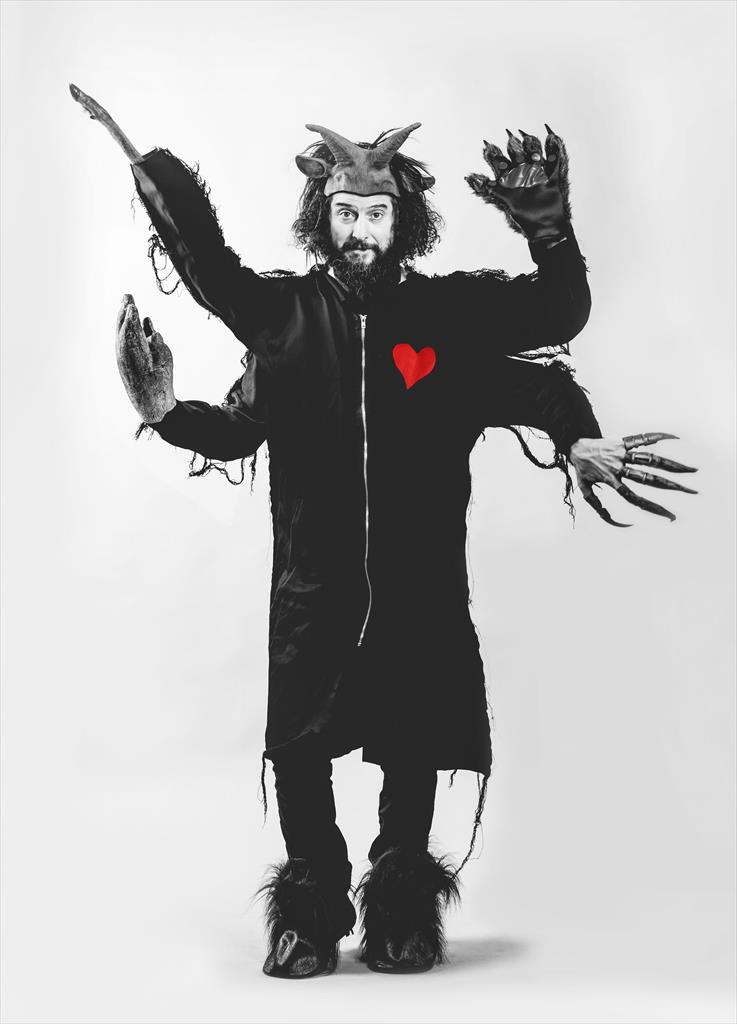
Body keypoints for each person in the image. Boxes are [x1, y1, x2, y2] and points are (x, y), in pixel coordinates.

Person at [71, 85, 697, 978]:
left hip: (418, 588)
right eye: (345, 213)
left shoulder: (447, 320)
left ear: (404, 221)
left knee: (413, 737)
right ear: (319, 218)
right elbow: (229, 380)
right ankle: (309, 906)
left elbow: (550, 341)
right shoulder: (284, 321)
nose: (359, 230)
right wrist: (166, 410)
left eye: (376, 213)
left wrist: (549, 247)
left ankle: (401, 904)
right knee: (300, 745)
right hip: (312, 588)